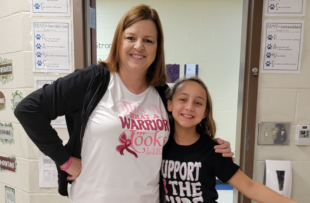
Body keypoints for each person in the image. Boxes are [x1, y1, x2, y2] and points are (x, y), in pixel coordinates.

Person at [14, 4, 233, 203]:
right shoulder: (94, 81)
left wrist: (214, 147)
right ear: (119, 41)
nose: (139, 46)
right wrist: (64, 160)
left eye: (148, 40)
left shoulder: (162, 94)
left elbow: (184, 132)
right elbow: (28, 109)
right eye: (131, 38)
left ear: (157, 48)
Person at [161, 77, 297, 203]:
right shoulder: (158, 146)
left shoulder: (214, 150)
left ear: (205, 113)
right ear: (169, 104)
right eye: (183, 99)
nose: (189, 107)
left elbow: (250, 187)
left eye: (198, 103)